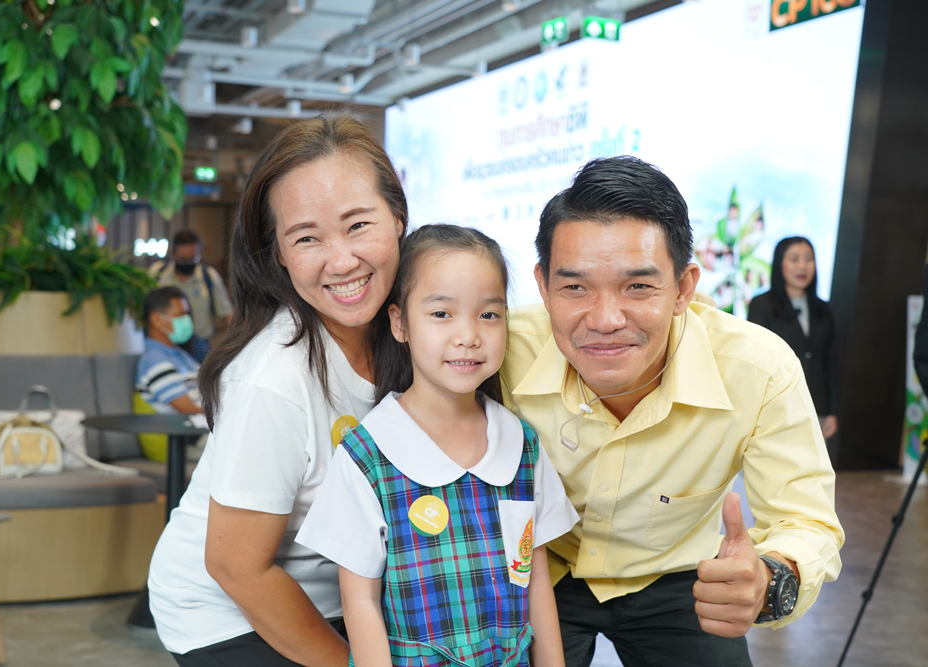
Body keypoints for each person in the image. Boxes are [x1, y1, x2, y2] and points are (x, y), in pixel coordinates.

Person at [501, 156, 844, 667]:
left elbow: (806, 519)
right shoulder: (498, 351)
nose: (605, 319)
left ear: (684, 288)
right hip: (541, 568)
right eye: (574, 286)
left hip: (680, 575)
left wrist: (770, 579)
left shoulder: (757, 368)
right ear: (543, 285)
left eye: (638, 286)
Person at [147, 115, 407, 666]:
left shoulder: (413, 332)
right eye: (307, 237)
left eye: (359, 225)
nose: (341, 261)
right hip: (223, 610)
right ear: (280, 255)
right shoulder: (273, 376)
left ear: (399, 218)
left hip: (346, 592)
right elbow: (236, 565)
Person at [297, 225, 579, 667]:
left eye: (489, 314)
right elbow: (360, 604)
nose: (468, 335)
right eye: (442, 314)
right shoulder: (368, 455)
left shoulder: (521, 446)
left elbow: (535, 579)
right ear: (399, 323)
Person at [748, 237, 838, 438]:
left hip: (816, 406)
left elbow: (831, 363)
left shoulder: (823, 309)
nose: (802, 266)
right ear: (779, 263)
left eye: (808, 259)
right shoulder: (762, 305)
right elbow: (754, 360)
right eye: (794, 259)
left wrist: (832, 412)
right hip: (776, 407)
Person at [150, 229, 234, 361]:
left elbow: (227, 313)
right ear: (172, 253)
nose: (188, 264)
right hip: (165, 344)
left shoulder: (209, 276)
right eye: (183, 259)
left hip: (200, 346)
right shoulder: (158, 274)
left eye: (193, 259)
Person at [137, 286, 202, 415]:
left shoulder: (179, 354)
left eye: (187, 314)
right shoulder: (153, 360)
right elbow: (188, 409)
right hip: (190, 431)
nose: (187, 320)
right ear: (157, 319)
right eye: (181, 315)